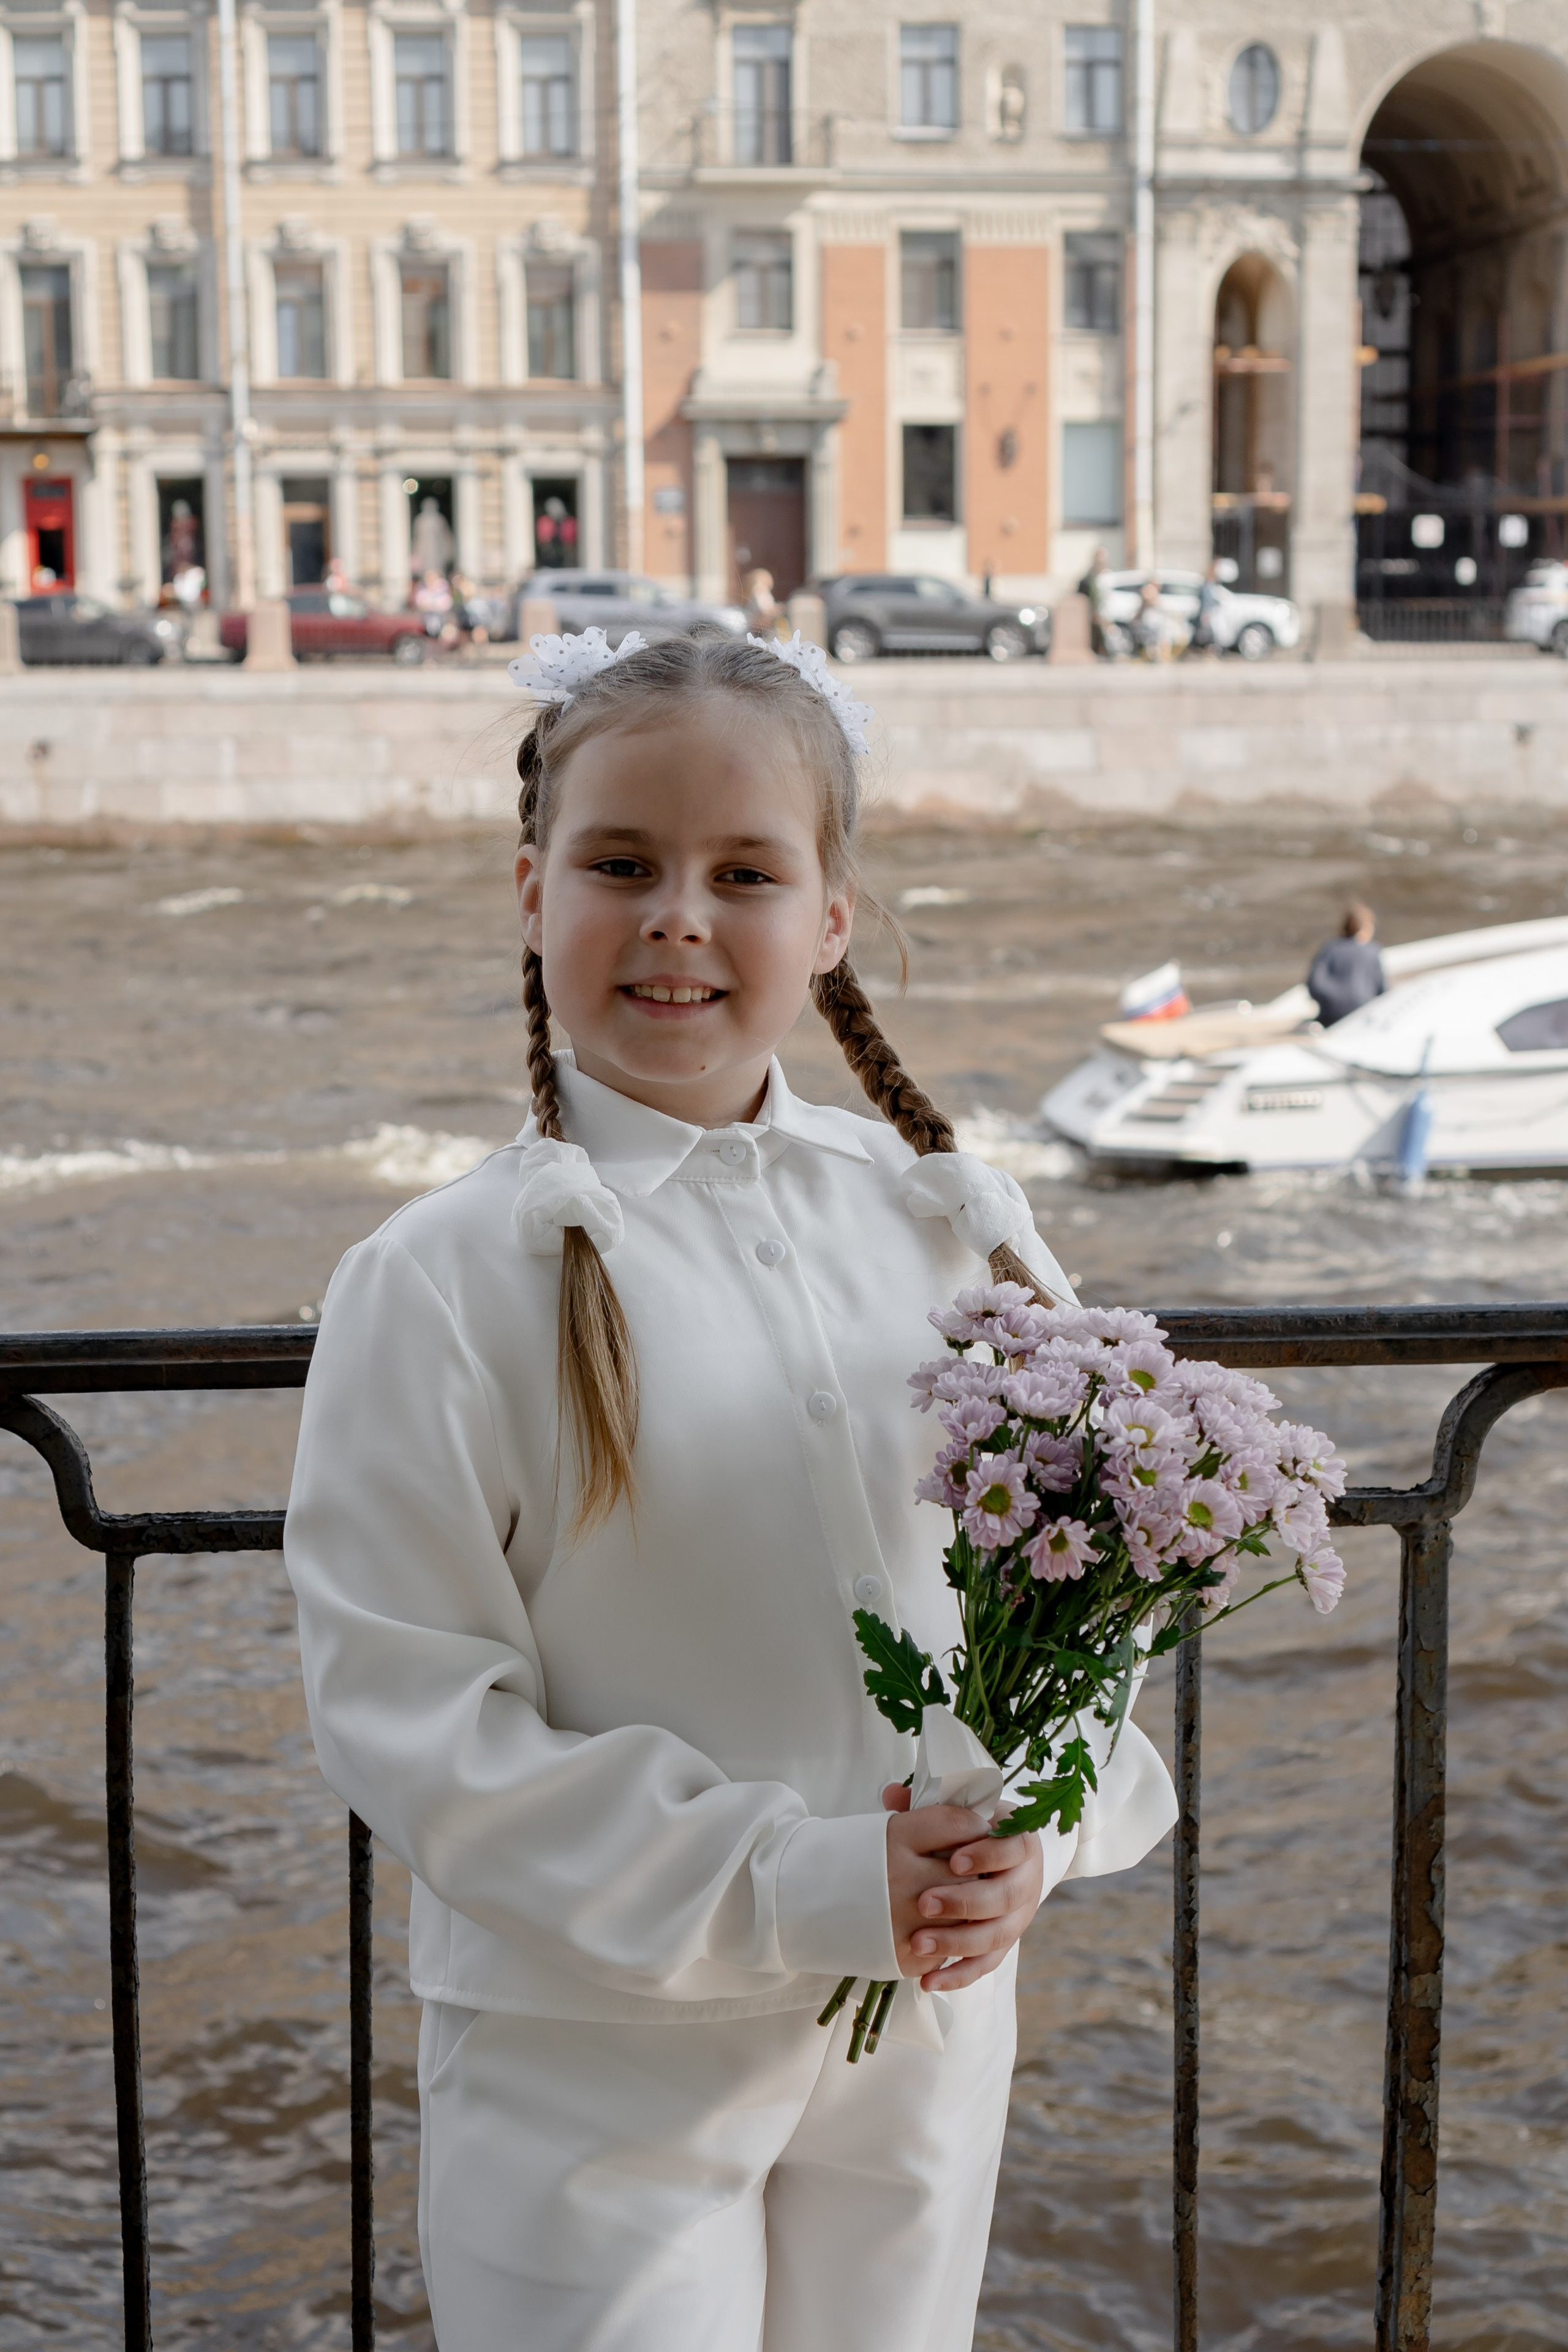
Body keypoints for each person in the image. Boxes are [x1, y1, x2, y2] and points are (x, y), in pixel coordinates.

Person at [284, 633, 1175, 2352]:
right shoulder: (443, 1279)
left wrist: (1036, 1833)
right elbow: (410, 1714)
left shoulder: (949, 1222)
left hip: (922, 2019)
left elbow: (1091, 1587)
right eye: (623, 864)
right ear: (534, 892)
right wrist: (808, 1879)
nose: (678, 914)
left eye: (744, 873)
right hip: (595, 2056)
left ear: (830, 918)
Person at [1308, 902, 1387, 1027]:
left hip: (1330, 1016)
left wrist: (1330, 1002)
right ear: (1366, 927)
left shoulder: (1329, 948)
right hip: (1362, 1014)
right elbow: (1383, 990)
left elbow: (1314, 983)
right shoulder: (1372, 951)